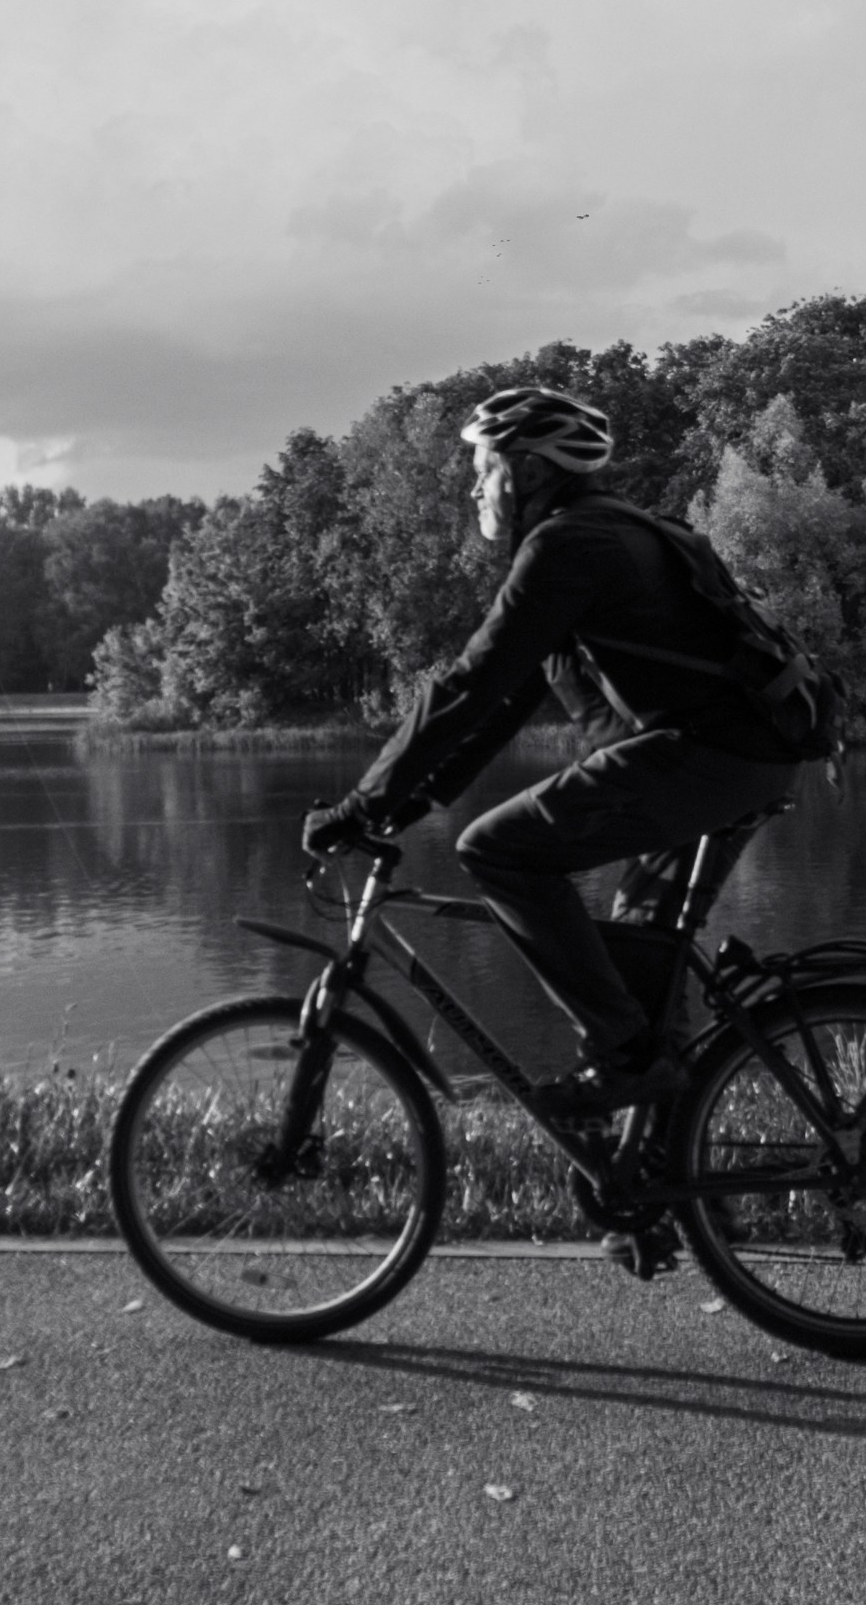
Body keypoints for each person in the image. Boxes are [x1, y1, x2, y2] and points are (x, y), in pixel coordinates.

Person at [303, 387, 805, 1121]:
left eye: (485, 466)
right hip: (742, 756)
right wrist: (409, 804)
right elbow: (506, 703)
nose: (477, 484)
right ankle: (658, 1203)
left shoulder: (569, 545)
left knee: (498, 849)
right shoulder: (609, 534)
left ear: (529, 471)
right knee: (640, 959)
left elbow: (470, 683)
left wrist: (361, 806)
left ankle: (623, 1057)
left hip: (710, 757)